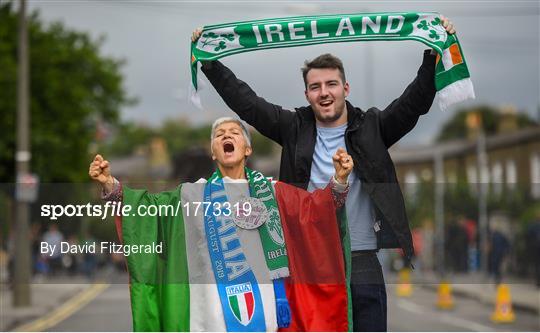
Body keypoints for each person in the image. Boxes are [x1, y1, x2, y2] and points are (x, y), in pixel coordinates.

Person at [193, 16, 456, 331]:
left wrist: (432, 56)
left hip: (361, 261)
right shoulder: (292, 127)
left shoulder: (373, 126)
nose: (324, 92)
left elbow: (412, 105)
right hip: (307, 261)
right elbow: (247, 103)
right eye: (315, 87)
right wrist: (211, 63)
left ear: (345, 88)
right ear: (306, 95)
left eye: (331, 84)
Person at [89, 117, 355, 331]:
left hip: (267, 313)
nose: (226, 136)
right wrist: (110, 186)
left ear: (248, 149)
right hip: (212, 314)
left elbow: (317, 213)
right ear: (213, 153)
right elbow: (150, 213)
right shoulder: (191, 195)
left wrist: (340, 180)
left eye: (234, 132)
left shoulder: (275, 193)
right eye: (219, 135)